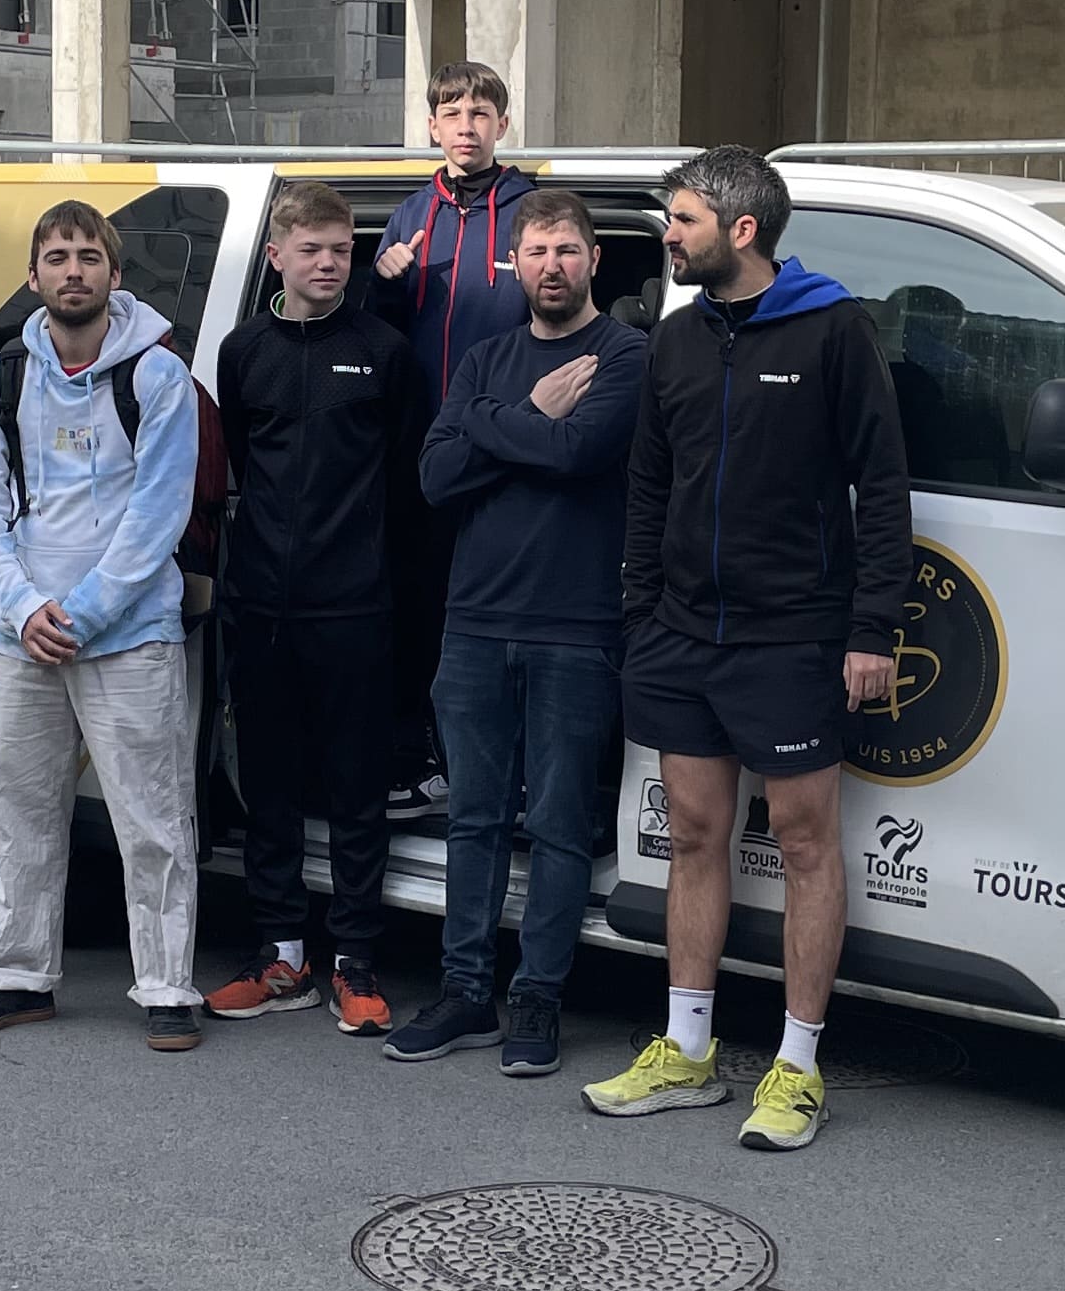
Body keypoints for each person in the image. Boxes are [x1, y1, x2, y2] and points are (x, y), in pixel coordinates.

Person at [584, 147, 911, 1153]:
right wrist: (641, 614)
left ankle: (798, 1069)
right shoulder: (677, 340)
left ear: (742, 230)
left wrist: (871, 629)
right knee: (693, 836)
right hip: (682, 636)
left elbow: (882, 488)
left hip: (793, 635)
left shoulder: (834, 328)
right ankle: (687, 1052)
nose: (667, 235)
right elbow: (649, 485)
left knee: (806, 845)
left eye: (681, 219)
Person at [388, 184, 648, 1078]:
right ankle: (466, 992)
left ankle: (538, 997)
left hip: (577, 626)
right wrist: (532, 412)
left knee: (562, 826)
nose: (551, 266)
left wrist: (491, 431)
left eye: (566, 250)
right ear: (515, 265)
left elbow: (580, 455)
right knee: (475, 821)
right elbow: (435, 478)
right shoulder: (487, 359)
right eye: (535, 252)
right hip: (473, 623)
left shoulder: (626, 355)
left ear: (594, 260)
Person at [0, 202, 209, 1050]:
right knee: (19, 813)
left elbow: (158, 515)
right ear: (33, 277)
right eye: (56, 257)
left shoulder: (158, 376)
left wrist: (85, 613)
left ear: (114, 274)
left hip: (129, 633)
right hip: (21, 635)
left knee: (153, 819)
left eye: (88, 256)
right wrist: (25, 610)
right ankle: (18, 977)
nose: (72, 270)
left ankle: (166, 988)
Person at [203, 181, 421, 1037]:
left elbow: (403, 475)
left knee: (358, 789)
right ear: (276, 257)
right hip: (261, 604)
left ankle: (355, 960)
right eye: (311, 250)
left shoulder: (384, 350)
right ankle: (281, 955)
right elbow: (243, 463)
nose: (328, 263)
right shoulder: (243, 351)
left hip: (354, 604)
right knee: (271, 785)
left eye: (341, 250)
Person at [372, 61, 534, 815]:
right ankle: (420, 763)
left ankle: (511, 774)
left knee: (501, 620)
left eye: (480, 112)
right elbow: (377, 339)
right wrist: (383, 284)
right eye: (452, 112)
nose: (466, 126)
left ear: (502, 123)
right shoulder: (409, 215)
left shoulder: (533, 211)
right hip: (421, 457)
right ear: (432, 125)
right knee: (420, 614)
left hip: (506, 455)